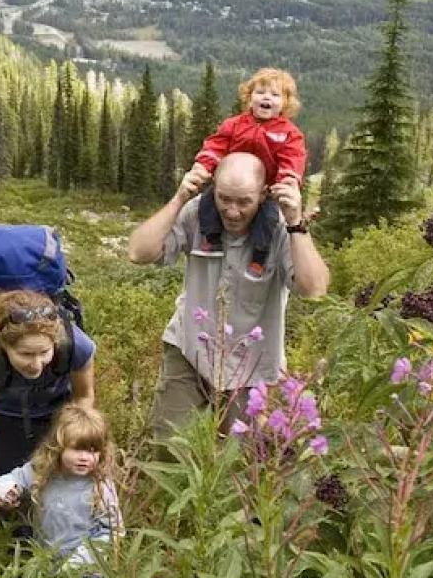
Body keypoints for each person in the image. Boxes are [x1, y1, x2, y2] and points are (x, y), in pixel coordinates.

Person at [126, 152, 329, 447]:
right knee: (170, 447)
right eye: (224, 199)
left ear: (263, 194)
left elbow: (315, 289)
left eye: (243, 201)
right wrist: (179, 198)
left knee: (241, 464)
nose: (232, 211)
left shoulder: (280, 228)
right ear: (214, 190)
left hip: (253, 367)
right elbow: (138, 253)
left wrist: (296, 223)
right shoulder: (198, 212)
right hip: (189, 350)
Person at [0, 288, 96, 507]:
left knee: (59, 486)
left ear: (54, 342)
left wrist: (71, 441)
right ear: (5, 345)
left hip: (58, 415)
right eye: (25, 354)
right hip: (4, 417)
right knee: (9, 495)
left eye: (44, 352)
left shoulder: (75, 345)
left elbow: (84, 397)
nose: (36, 365)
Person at [0, 402, 123, 578]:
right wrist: (9, 489)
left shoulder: (100, 486)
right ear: (58, 447)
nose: (85, 457)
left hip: (85, 570)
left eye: (93, 451)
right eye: (77, 449)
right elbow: (10, 478)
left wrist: (80, 561)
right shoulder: (42, 472)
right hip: (44, 560)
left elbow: (111, 530)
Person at [191, 68, 307, 275]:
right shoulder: (234, 125)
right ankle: (212, 239)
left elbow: (292, 158)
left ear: (285, 103)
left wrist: (287, 180)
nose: (266, 98)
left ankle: (259, 256)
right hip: (230, 183)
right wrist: (204, 164)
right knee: (207, 202)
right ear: (249, 97)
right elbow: (216, 145)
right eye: (260, 92)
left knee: (268, 218)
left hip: (265, 190)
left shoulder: (289, 133)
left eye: (274, 95)